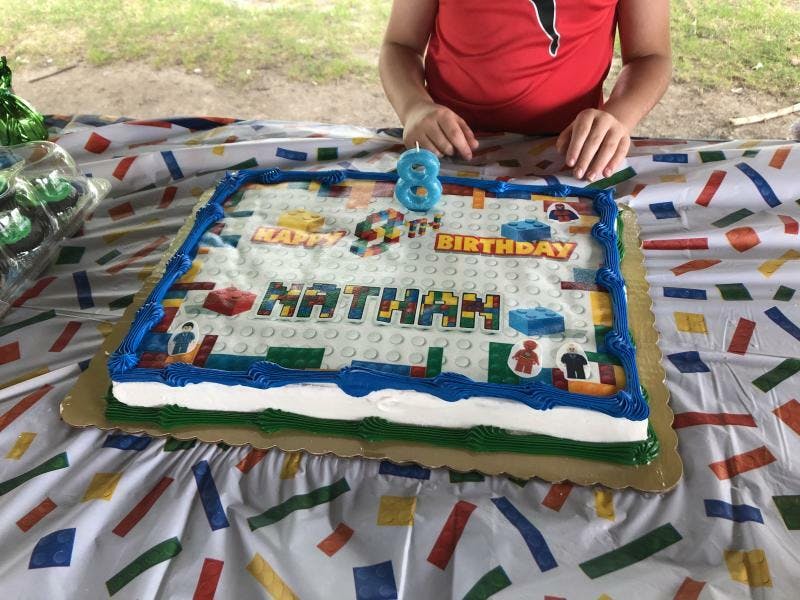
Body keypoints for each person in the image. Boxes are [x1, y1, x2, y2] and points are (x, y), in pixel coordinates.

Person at [379, 0, 671, 182]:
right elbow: (401, 45)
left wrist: (618, 116)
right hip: (447, 149)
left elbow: (650, 56)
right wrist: (414, 107)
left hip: (570, 156)